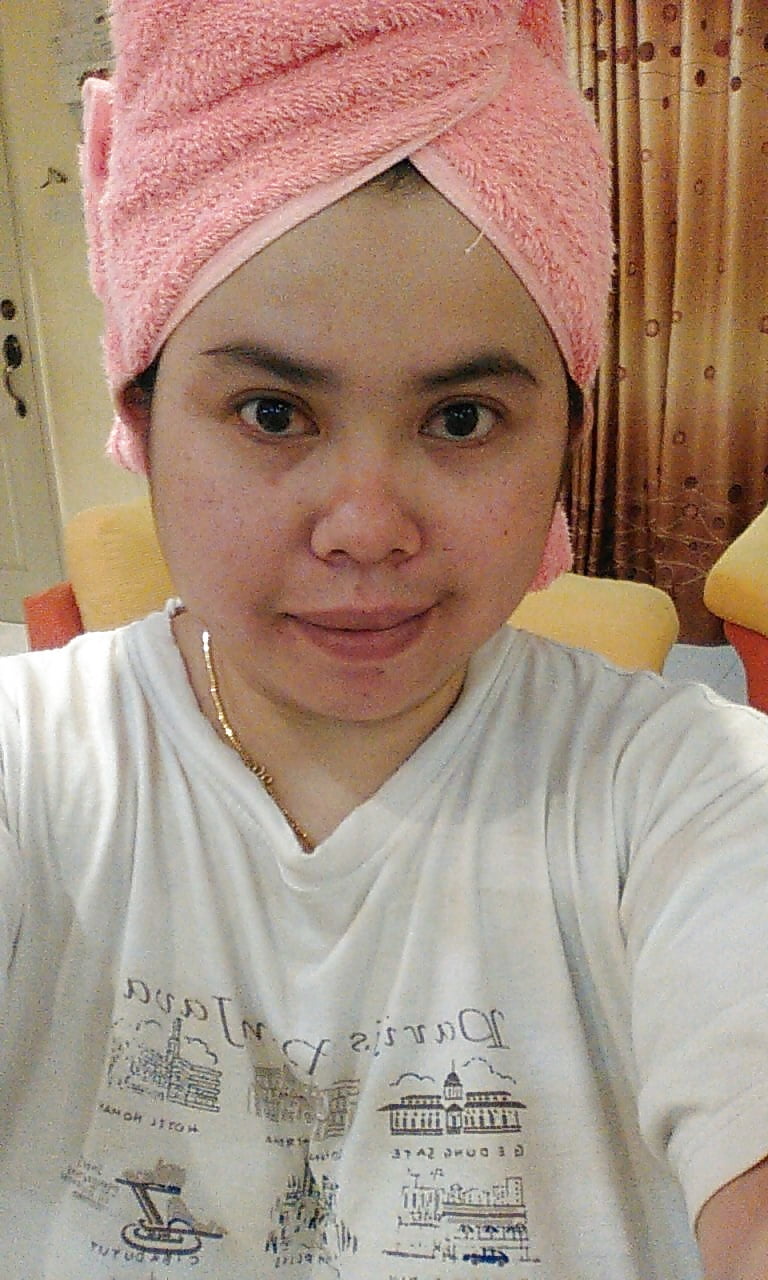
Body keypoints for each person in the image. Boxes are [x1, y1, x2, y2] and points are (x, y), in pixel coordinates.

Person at [1, 2, 767, 1277]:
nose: (366, 527)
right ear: (142, 411)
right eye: (271, 411)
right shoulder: (35, 770)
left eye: (462, 419)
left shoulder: (686, 792)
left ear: (565, 436)